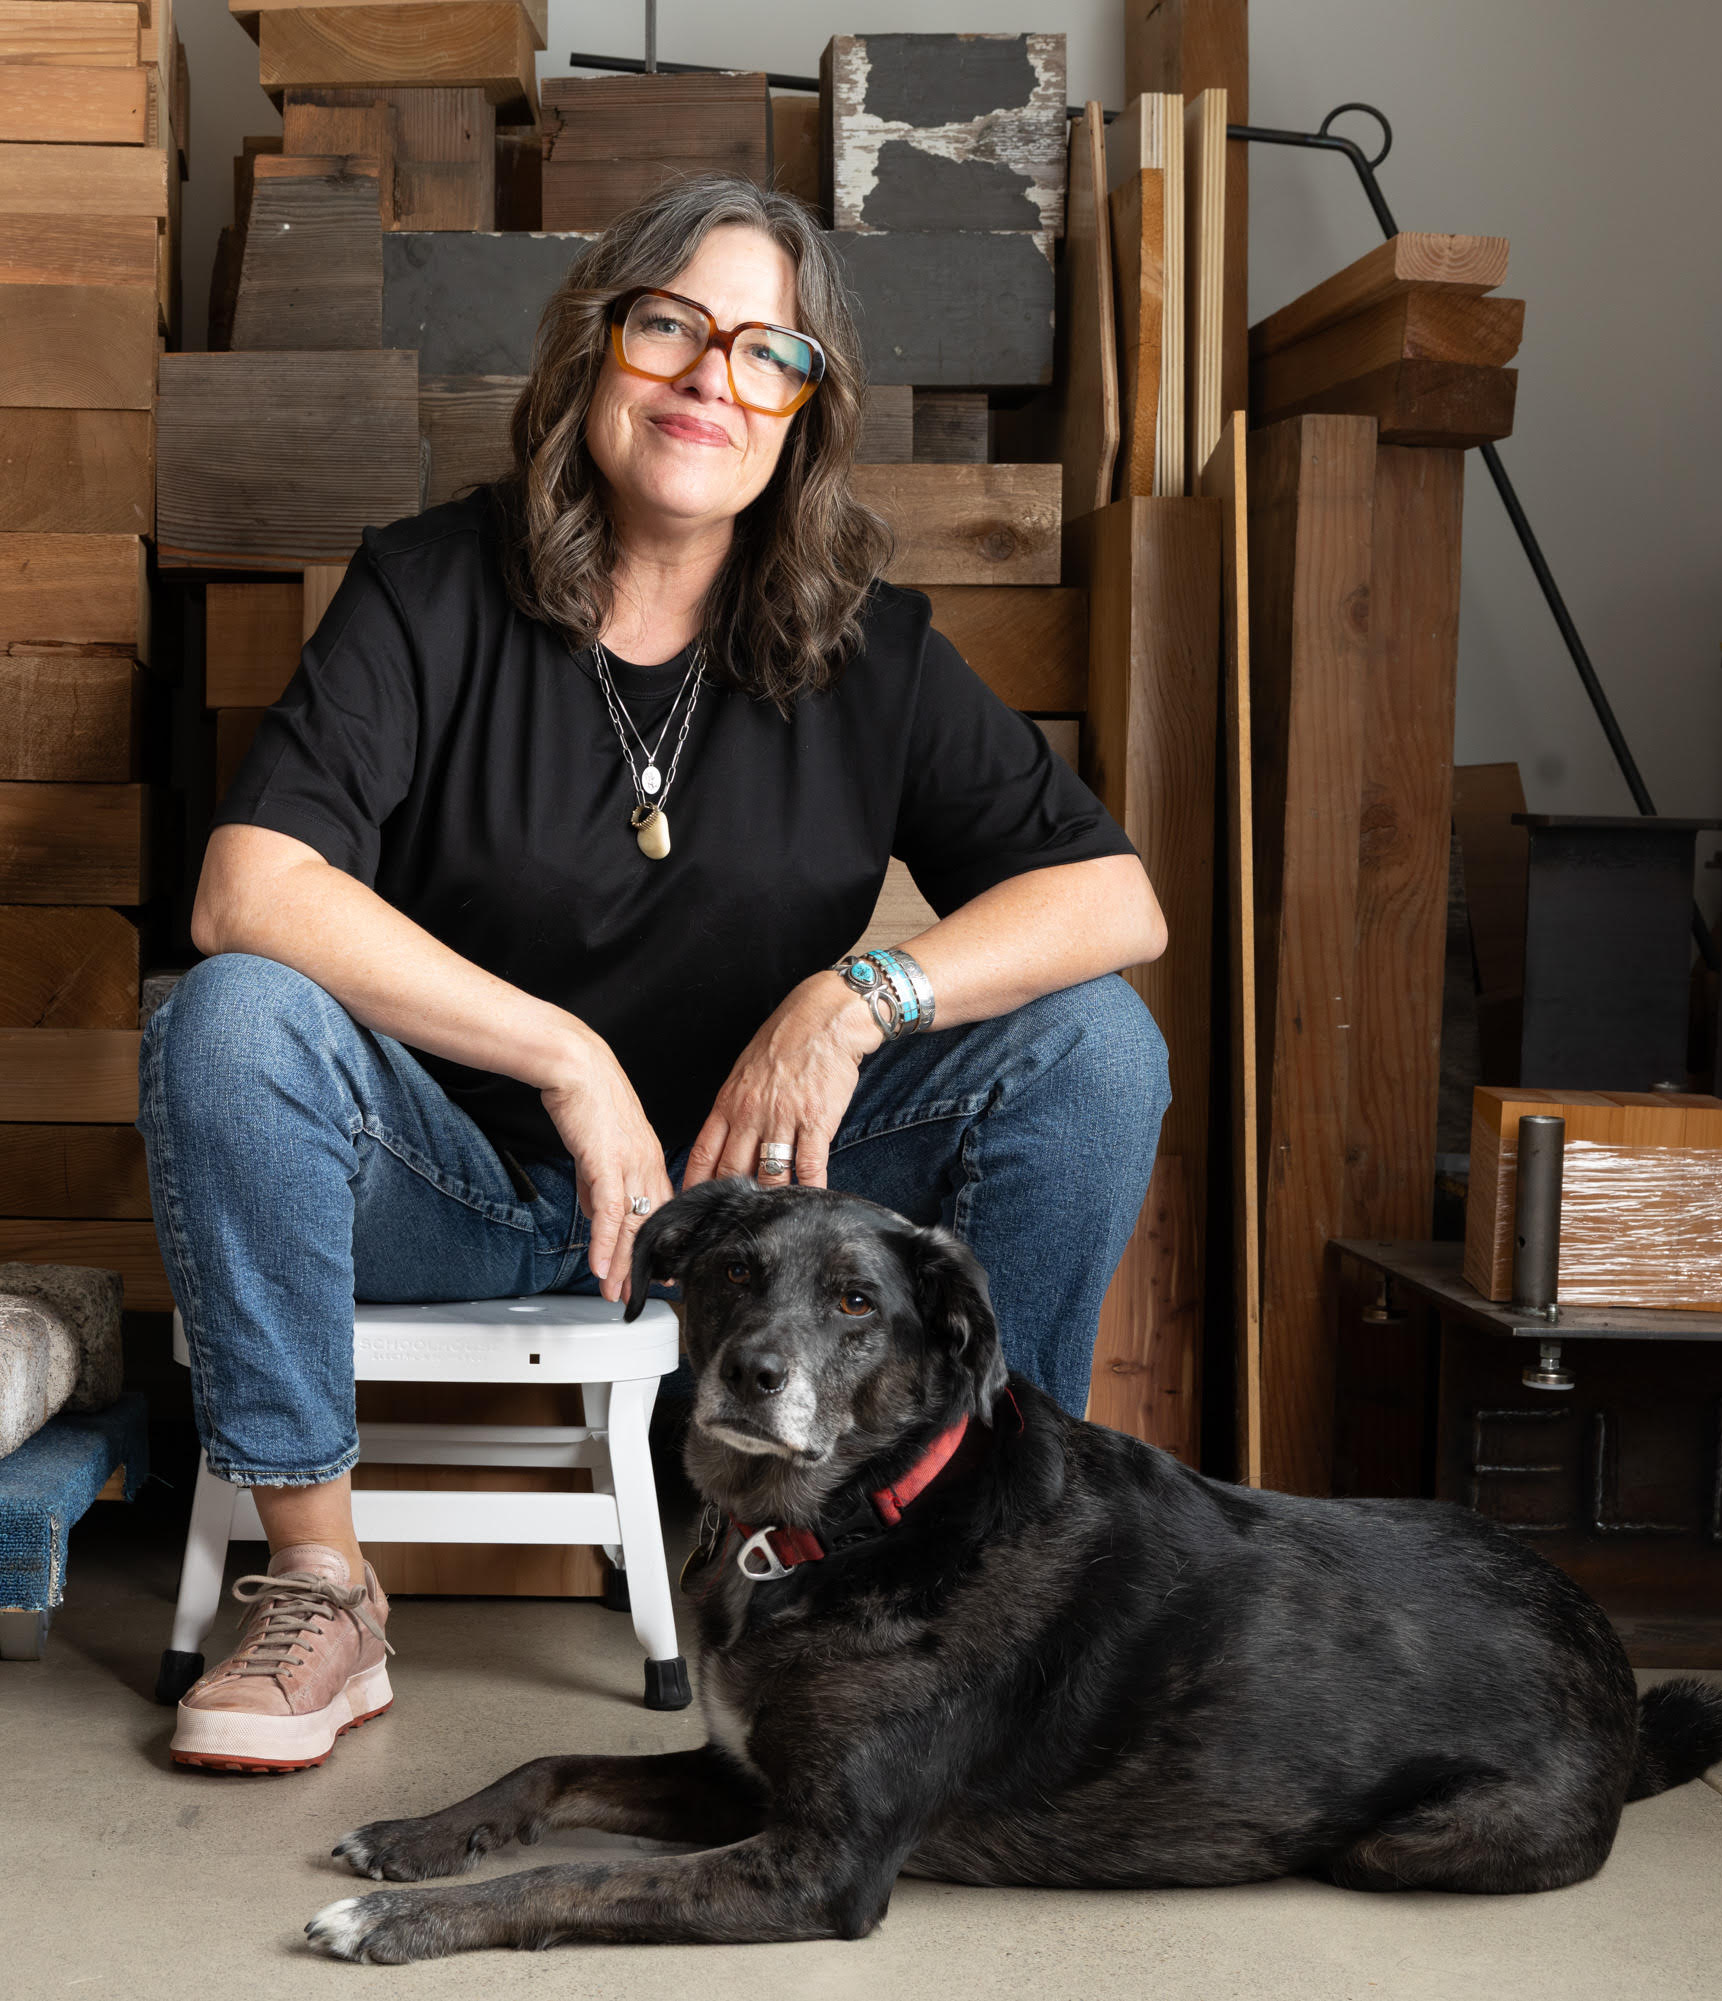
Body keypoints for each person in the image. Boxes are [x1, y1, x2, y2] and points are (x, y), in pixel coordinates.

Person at [142, 176, 1170, 1773]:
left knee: (1093, 1046)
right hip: (459, 1183)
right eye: (673, 326)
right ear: (596, 349)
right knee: (228, 1019)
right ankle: (321, 1585)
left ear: (802, 418)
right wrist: (565, 1056)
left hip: (747, 1203)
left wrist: (857, 999)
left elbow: (1114, 900)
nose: (712, 378)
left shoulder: (867, 648)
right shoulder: (428, 589)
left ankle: (975, 1577)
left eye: (768, 354)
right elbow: (247, 885)